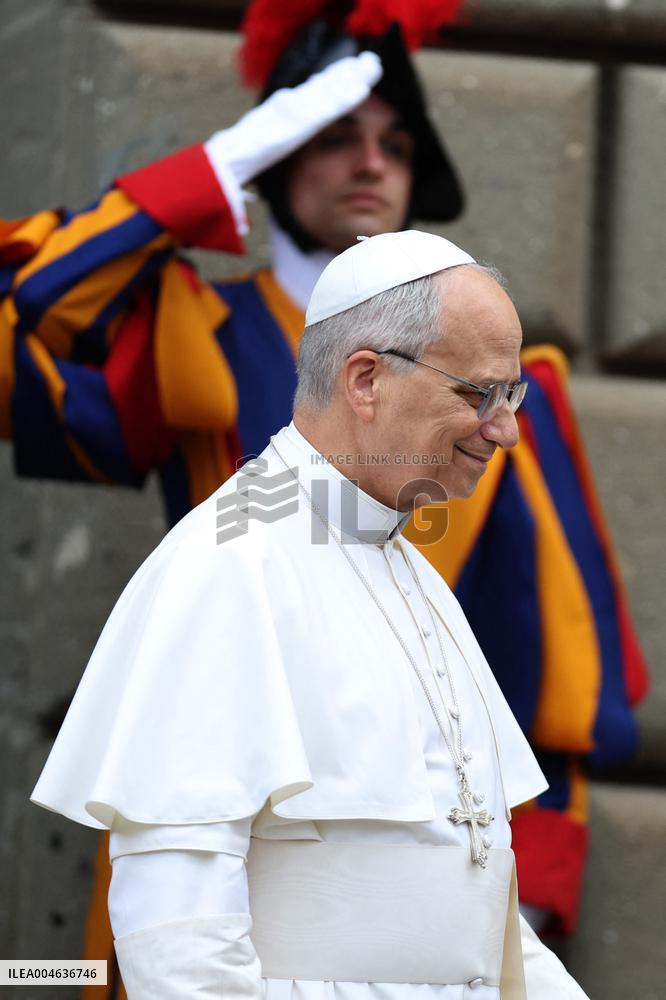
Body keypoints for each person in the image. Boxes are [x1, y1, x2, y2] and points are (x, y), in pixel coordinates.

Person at [2, 2, 646, 985]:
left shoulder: (506, 382)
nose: (369, 163)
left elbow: (543, 635)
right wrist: (209, 171)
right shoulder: (196, 336)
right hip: (220, 804)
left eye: (395, 143)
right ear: (361, 381)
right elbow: (31, 326)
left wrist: (525, 875)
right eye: (332, 136)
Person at [32, 229, 590, 999]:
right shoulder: (233, 561)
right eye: (478, 393)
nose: (506, 428)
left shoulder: (408, 570)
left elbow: (473, 917)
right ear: (365, 379)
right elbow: (179, 939)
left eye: (512, 394)